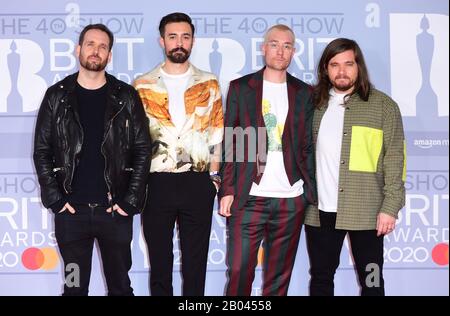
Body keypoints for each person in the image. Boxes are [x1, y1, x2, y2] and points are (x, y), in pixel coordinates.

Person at [33, 24, 151, 296]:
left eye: (103, 46)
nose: (95, 51)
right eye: (90, 44)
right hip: (71, 216)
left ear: (109, 55)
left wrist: (130, 201)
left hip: (115, 213)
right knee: (74, 288)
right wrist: (56, 200)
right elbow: (42, 151)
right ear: (78, 50)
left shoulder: (126, 96)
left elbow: (143, 149)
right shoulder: (57, 96)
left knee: (121, 287)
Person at [219, 24, 316, 296]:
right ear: (263, 48)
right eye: (274, 44)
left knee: (278, 279)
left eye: (287, 46)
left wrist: (308, 193)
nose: (280, 50)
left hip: (290, 198)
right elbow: (232, 141)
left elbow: (308, 146)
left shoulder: (305, 92)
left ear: (293, 52)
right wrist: (227, 189)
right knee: (239, 271)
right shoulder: (241, 87)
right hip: (249, 195)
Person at [304, 38, 406, 296]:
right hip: (320, 212)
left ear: (358, 66)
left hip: (368, 211)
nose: (341, 71)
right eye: (334, 65)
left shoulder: (384, 106)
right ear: (325, 69)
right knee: (320, 278)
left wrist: (390, 207)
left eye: (348, 64)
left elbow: (395, 157)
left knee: (372, 281)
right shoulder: (311, 105)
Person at [133, 12, 224, 296]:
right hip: (156, 182)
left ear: (193, 41)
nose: (179, 42)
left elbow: (217, 135)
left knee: (195, 263)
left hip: (197, 181)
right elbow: (136, 141)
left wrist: (214, 179)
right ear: (162, 41)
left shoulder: (209, 83)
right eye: (172, 36)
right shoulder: (143, 84)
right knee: (160, 263)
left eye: (185, 36)